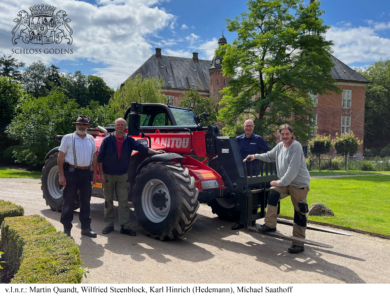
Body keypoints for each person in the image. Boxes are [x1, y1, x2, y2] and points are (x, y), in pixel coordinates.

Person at [246, 124, 310, 254]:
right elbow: (269, 156)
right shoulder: (281, 146)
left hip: (298, 184)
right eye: (282, 134)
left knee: (300, 212)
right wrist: (256, 156)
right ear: (279, 135)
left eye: (287, 134)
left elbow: (293, 170)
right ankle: (270, 225)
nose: (285, 136)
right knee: (273, 192)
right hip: (285, 183)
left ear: (292, 134)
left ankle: (298, 243)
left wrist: (280, 182)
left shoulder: (296, 146)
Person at [98, 118, 165, 236]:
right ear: (114, 126)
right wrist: (101, 174)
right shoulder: (107, 140)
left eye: (122, 125)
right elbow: (100, 158)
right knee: (108, 200)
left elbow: (142, 148)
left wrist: (155, 152)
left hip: (122, 175)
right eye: (118, 124)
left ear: (125, 127)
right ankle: (109, 225)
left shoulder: (129, 140)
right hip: (108, 175)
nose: (120, 126)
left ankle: (125, 226)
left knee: (123, 202)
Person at [58, 115, 98, 238]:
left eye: (84, 125)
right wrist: (61, 175)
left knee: (86, 201)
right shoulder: (68, 138)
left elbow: (94, 157)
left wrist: (94, 173)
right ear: (76, 125)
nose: (82, 126)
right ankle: (66, 228)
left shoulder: (91, 139)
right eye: (79, 124)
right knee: (69, 200)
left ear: (87, 126)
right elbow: (60, 156)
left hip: (86, 173)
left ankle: (86, 228)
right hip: (72, 172)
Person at [231, 119, 270, 230]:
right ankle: (240, 221)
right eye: (246, 126)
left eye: (250, 126)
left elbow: (268, 152)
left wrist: (261, 163)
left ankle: (252, 220)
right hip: (240, 173)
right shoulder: (238, 139)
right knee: (240, 197)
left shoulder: (258, 139)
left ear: (253, 127)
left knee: (253, 196)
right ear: (243, 127)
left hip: (254, 173)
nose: (248, 128)